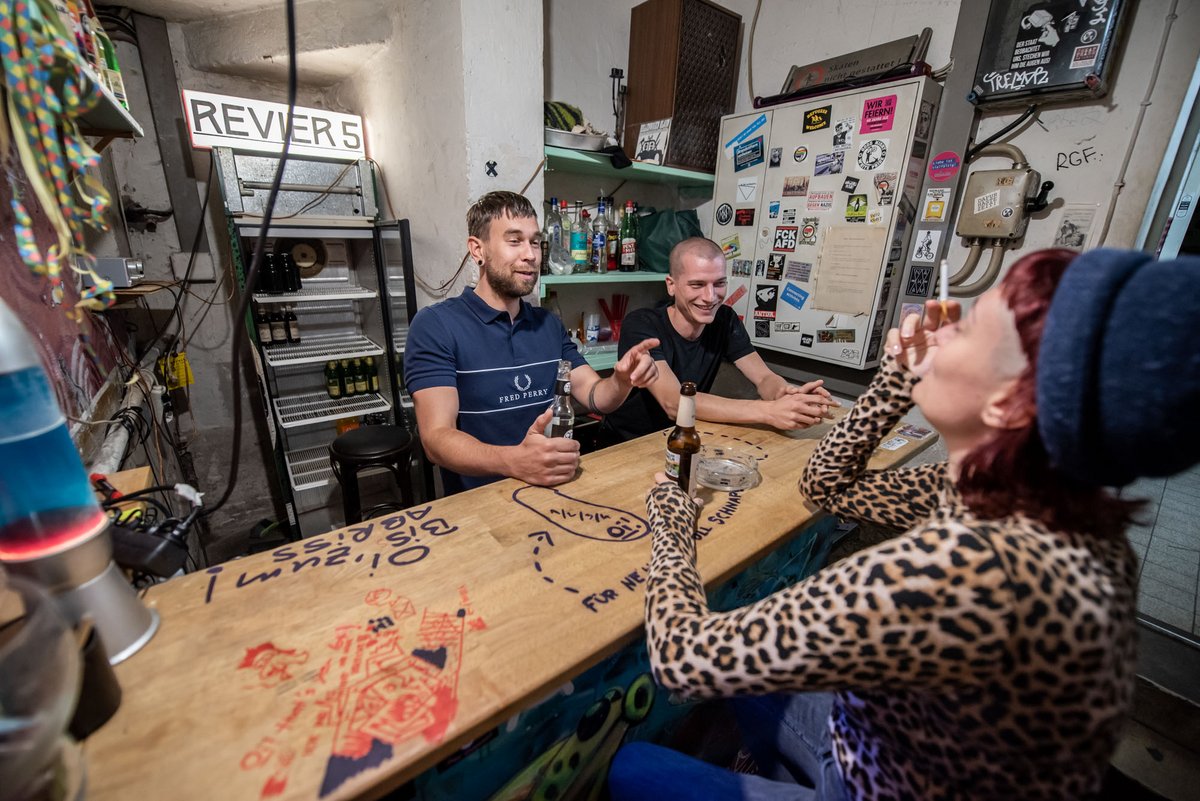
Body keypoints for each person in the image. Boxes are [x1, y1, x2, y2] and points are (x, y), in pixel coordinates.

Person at [608, 247, 1200, 801]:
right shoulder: (1025, 500)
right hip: (895, 746)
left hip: (879, 783)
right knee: (758, 687)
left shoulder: (954, 574)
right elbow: (827, 488)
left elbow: (681, 659)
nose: (939, 333)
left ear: (1009, 403)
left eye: (965, 330)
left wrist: (671, 520)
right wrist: (896, 377)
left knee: (632, 768)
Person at [403, 191, 659, 494]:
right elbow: (436, 438)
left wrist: (622, 380)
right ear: (477, 249)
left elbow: (595, 396)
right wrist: (513, 461)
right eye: (514, 241)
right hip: (480, 505)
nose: (531, 255)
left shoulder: (547, 324)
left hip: (552, 490)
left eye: (535, 242)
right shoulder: (436, 326)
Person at [599, 237, 834, 444]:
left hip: (685, 437)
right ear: (671, 285)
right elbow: (674, 403)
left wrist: (788, 395)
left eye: (719, 283)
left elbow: (763, 377)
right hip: (628, 444)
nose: (710, 297)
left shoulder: (725, 319)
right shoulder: (642, 324)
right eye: (697, 284)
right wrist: (768, 411)